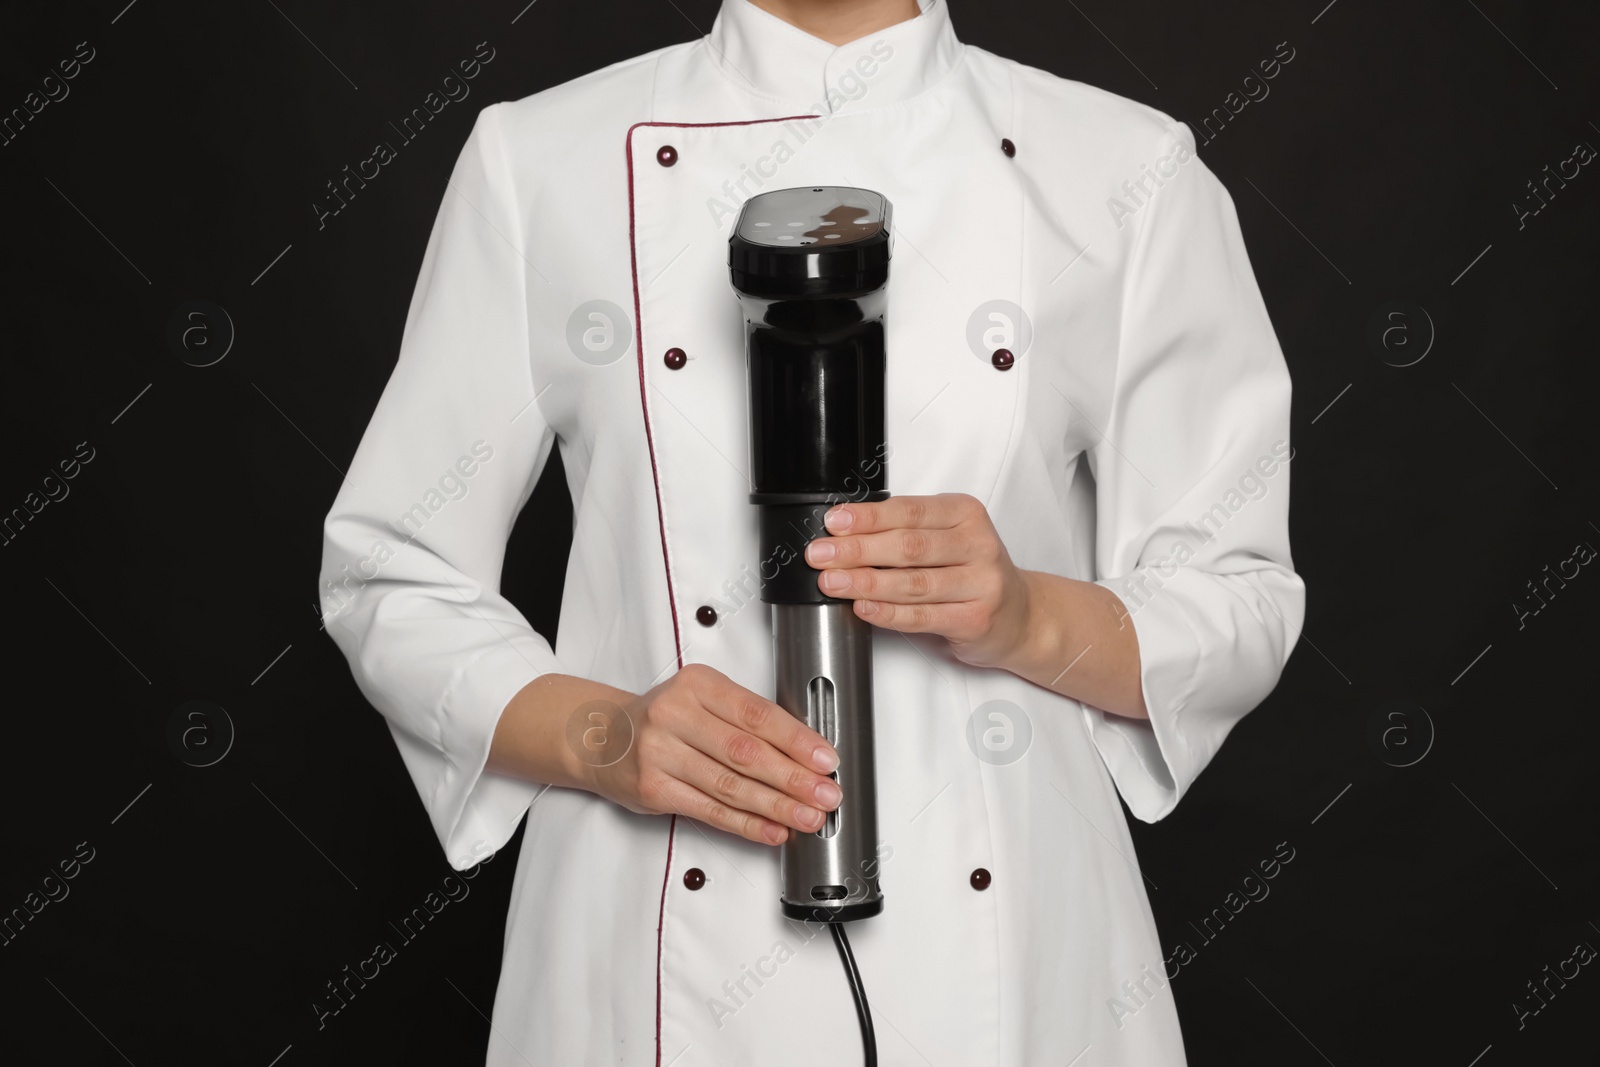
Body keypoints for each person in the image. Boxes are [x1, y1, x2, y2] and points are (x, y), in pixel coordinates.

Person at [318, 0, 1305, 1063]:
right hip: (647, 961)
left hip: (1015, 965)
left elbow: (1236, 596)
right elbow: (390, 571)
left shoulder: (1124, 171)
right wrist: (604, 737)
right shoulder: (544, 160)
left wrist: (1023, 614)